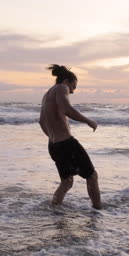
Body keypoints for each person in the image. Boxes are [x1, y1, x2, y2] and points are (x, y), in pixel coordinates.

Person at [39, 64, 102, 209]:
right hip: (66, 143)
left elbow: (41, 121)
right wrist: (88, 121)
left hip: (53, 145)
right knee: (92, 176)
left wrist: (54, 137)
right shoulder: (62, 88)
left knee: (67, 181)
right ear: (67, 81)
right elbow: (67, 109)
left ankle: (54, 208)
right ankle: (98, 210)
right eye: (74, 86)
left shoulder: (46, 94)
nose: (72, 91)